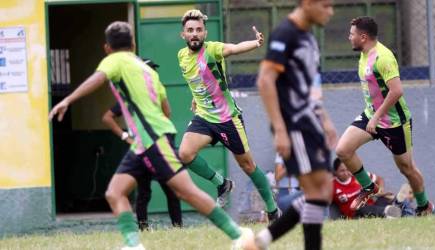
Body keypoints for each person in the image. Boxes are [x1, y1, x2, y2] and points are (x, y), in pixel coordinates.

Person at [49, 21, 252, 250]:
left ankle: (238, 235)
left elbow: (98, 78)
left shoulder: (114, 60)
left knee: (186, 191)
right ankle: (133, 245)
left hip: (154, 139)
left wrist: (67, 100)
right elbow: (166, 109)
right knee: (115, 192)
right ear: (133, 44)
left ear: (107, 48)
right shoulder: (146, 70)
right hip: (143, 142)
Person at [244, 1, 337, 249]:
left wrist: (325, 120)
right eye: (326, 5)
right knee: (316, 193)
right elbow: (265, 81)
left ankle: (260, 242)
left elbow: (311, 86)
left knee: (322, 192)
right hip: (295, 126)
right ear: (308, 3)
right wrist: (281, 129)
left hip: (312, 124)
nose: (331, 12)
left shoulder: (309, 39)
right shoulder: (285, 33)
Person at [177, 9, 280, 221]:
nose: (194, 33)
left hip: (227, 119)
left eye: (198, 30)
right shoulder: (181, 56)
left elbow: (234, 48)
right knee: (185, 154)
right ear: (183, 35)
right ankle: (222, 184)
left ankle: (272, 210)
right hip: (204, 117)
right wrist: (196, 98)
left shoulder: (212, 49)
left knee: (248, 166)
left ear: (205, 33)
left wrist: (255, 43)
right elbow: (197, 79)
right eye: (190, 30)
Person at [335, 16, 434, 216]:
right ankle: (368, 187)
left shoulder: (384, 57)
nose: (349, 37)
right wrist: (373, 116)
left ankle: (424, 206)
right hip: (372, 115)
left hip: (395, 122)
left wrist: (376, 118)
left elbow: (396, 91)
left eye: (352, 34)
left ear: (363, 37)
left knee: (407, 169)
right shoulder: (364, 53)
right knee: (343, 150)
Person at [103, 101, 183, 229]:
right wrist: (126, 136)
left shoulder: (151, 94)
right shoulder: (126, 100)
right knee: (144, 193)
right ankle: (143, 228)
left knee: (169, 191)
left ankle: (177, 227)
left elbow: (167, 111)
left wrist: (160, 132)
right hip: (143, 150)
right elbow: (107, 117)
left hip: (156, 148)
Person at [332, 158, 401, 219]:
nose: (346, 173)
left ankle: (396, 211)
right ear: (335, 172)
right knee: (360, 207)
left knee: (387, 198)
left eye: (348, 170)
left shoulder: (358, 176)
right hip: (356, 214)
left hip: (373, 207)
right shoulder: (332, 186)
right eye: (342, 171)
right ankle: (387, 213)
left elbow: (379, 179)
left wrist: (381, 191)